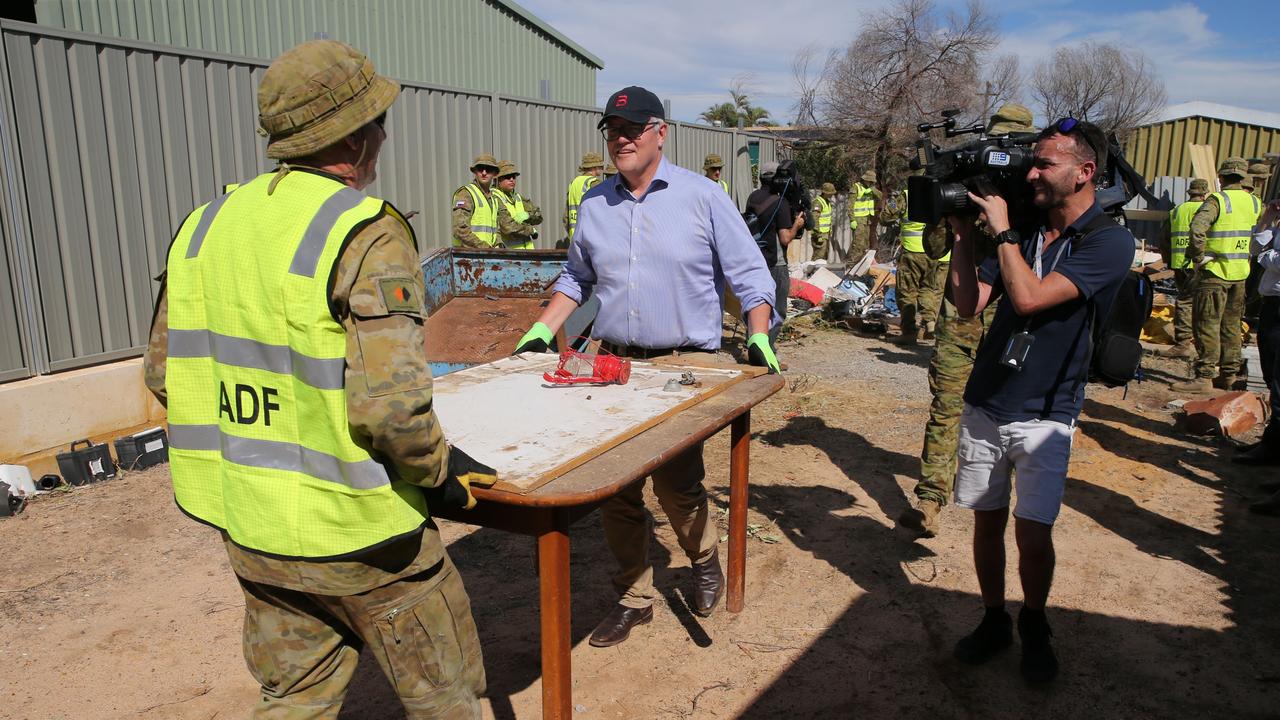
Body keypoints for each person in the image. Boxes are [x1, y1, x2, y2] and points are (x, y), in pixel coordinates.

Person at [142, 40, 489, 717]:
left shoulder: (204, 226)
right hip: (366, 539)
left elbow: (164, 373)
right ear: (357, 135)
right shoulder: (363, 231)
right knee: (448, 701)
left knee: (294, 701)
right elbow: (390, 410)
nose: (384, 135)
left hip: (251, 529)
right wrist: (440, 471)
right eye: (379, 121)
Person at [511, 85, 779, 647]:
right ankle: (634, 596)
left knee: (677, 483)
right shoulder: (594, 204)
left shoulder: (703, 196)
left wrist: (758, 335)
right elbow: (576, 278)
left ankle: (703, 556)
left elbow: (749, 275)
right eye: (612, 130)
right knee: (616, 489)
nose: (621, 139)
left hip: (684, 362)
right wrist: (542, 327)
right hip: (611, 361)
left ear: (661, 132)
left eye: (633, 128)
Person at [947, 118, 1134, 682]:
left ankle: (1034, 621)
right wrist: (963, 234)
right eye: (1032, 162)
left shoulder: (1108, 240)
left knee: (1033, 530)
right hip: (987, 399)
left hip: (1047, 412)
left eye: (1044, 164)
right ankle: (993, 617)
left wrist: (1002, 231)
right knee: (986, 519)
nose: (1031, 173)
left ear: (1084, 172)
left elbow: (1029, 300)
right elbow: (967, 305)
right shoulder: (1025, 227)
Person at [898, 104, 1034, 537]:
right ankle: (930, 502)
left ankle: (999, 503)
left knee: (1009, 418)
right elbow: (934, 247)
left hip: (1017, 324)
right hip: (961, 321)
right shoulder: (964, 185)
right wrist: (955, 206)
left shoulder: (1039, 199)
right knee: (947, 408)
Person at [1172, 157, 1262, 393]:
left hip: (1215, 274)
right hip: (1240, 274)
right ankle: (1229, 375)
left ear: (1221, 178)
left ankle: (1204, 377)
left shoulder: (1218, 200)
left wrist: (1197, 257)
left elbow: (1197, 228)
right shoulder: (1254, 203)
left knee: (1207, 324)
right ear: (1244, 178)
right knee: (1232, 326)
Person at [1241, 201, 1280, 490]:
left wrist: (1267, 256)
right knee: (1271, 378)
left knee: (1279, 385)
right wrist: (1267, 219)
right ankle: (1271, 447)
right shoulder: (1276, 225)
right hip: (1271, 306)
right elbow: (1255, 249)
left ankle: (1272, 450)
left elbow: (1274, 261)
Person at [747, 161, 806, 348]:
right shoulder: (779, 203)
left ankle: (754, 342)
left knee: (758, 306)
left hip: (755, 261)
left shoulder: (752, 198)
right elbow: (785, 238)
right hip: (776, 263)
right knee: (778, 309)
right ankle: (766, 350)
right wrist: (797, 224)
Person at [1160, 178, 1210, 359]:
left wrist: (1169, 261)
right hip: (1201, 263)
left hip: (1180, 262)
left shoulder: (1176, 211)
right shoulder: (1208, 210)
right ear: (1205, 194)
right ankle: (1196, 343)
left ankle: (1183, 341)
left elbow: (1164, 238)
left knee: (1184, 301)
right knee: (1200, 303)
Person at [891, 182, 946, 344]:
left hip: (912, 252)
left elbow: (886, 216)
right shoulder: (941, 192)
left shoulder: (907, 195)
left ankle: (909, 332)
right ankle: (929, 323)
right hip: (933, 252)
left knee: (906, 292)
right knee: (928, 289)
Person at [452, 153, 502, 248]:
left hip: (486, 257)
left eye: (488, 169)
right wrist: (485, 248)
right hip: (467, 257)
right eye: (480, 169)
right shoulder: (466, 194)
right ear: (475, 171)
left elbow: (496, 231)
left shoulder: (494, 199)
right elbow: (460, 230)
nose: (484, 172)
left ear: (495, 173)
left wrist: (498, 247)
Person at [493, 160, 542, 250]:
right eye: (507, 177)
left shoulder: (518, 197)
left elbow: (539, 216)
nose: (512, 179)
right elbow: (508, 227)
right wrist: (530, 230)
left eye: (513, 176)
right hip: (509, 255)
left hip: (527, 253)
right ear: (498, 180)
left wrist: (528, 215)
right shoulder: (495, 198)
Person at [559, 151, 604, 248]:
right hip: (591, 238)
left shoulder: (574, 183)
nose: (602, 169)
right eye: (600, 166)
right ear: (594, 167)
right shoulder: (594, 183)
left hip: (575, 238)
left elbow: (565, 217)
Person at [849, 170, 882, 262]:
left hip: (867, 220)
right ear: (865, 179)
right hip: (858, 220)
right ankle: (851, 266)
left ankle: (860, 267)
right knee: (858, 245)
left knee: (865, 245)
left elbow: (880, 196)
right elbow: (850, 205)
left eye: (872, 181)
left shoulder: (871, 189)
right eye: (870, 181)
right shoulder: (856, 187)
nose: (871, 183)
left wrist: (873, 189)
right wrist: (852, 220)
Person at [811, 183, 836, 262]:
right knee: (818, 256)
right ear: (825, 192)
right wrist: (818, 234)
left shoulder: (826, 202)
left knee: (824, 257)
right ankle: (813, 273)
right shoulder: (818, 202)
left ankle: (820, 273)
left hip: (825, 234)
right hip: (820, 234)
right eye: (830, 193)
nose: (831, 195)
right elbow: (815, 219)